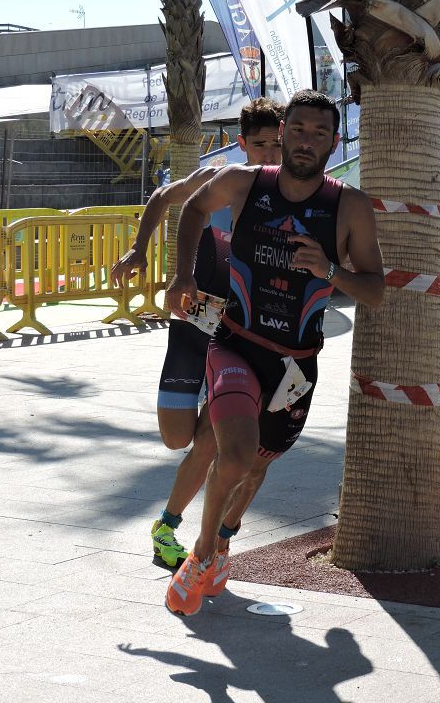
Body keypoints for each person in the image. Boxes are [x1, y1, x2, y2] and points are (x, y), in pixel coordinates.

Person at [162, 90, 384, 616]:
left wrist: (328, 271)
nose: (306, 141)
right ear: (281, 132)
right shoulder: (245, 183)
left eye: (319, 133)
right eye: (299, 129)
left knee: (257, 466)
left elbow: (374, 291)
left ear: (335, 142)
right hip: (235, 343)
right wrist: (183, 274)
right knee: (233, 453)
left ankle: (222, 542)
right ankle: (200, 555)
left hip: (294, 363)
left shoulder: (348, 206)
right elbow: (193, 208)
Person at [110, 97, 285, 569]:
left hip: (240, 339)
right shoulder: (218, 181)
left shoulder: (292, 194)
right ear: (242, 144)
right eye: (261, 144)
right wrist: (138, 249)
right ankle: (202, 496)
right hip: (193, 325)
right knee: (176, 437)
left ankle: (174, 529)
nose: (270, 153)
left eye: (277, 144)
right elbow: (162, 198)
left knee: (213, 437)